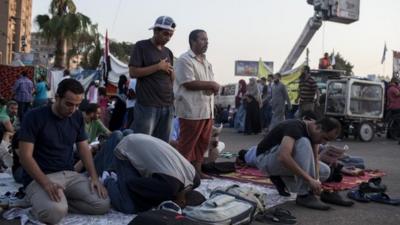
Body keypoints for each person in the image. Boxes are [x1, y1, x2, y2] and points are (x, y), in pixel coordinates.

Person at [18, 79, 110, 224]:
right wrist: (46, 183)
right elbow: (25, 157)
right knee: (54, 213)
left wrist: (93, 177)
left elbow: (83, 148)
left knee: (102, 204)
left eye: (77, 105)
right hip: (40, 177)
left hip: (69, 174)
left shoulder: (77, 116)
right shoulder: (34, 116)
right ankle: (46, 203)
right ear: (57, 97)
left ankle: (62, 203)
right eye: (69, 104)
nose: (73, 109)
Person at [95, 133, 201, 214]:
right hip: (127, 148)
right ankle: (108, 178)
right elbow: (132, 184)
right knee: (128, 205)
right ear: (182, 202)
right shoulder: (169, 187)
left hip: (141, 139)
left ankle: (119, 136)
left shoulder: (196, 179)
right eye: (178, 207)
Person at [256, 117, 341, 210]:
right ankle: (304, 195)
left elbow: (315, 158)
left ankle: (281, 179)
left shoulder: (314, 133)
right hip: (265, 160)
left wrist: (317, 180)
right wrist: (309, 180)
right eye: (324, 138)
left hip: (279, 163)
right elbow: (283, 156)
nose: (324, 143)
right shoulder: (295, 127)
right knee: (304, 142)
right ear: (318, 128)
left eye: (327, 140)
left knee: (325, 171)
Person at [175, 29, 220, 178]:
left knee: (202, 143)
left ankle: (197, 172)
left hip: (206, 110)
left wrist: (213, 87)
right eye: (202, 39)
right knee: (187, 145)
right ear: (193, 41)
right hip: (191, 110)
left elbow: (207, 84)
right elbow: (188, 83)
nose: (206, 42)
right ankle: (181, 175)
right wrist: (211, 85)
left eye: (207, 40)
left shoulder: (207, 62)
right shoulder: (185, 59)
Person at [129, 16, 176, 142]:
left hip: (167, 105)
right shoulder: (142, 46)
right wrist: (158, 67)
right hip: (148, 105)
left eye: (171, 35)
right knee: (143, 144)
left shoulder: (168, 52)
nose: (168, 38)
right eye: (165, 34)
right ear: (155, 31)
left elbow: (172, 77)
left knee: (162, 146)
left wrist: (171, 73)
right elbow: (133, 72)